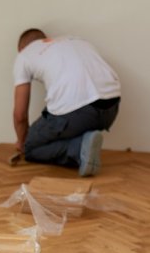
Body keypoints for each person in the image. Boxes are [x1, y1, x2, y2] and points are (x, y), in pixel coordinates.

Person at [12, 29, 121, 176]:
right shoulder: (75, 39)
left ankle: (79, 148)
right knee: (60, 110)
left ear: (22, 48)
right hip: (111, 108)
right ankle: (85, 143)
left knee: (30, 148)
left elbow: (20, 115)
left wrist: (21, 142)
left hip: (79, 113)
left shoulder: (24, 56)